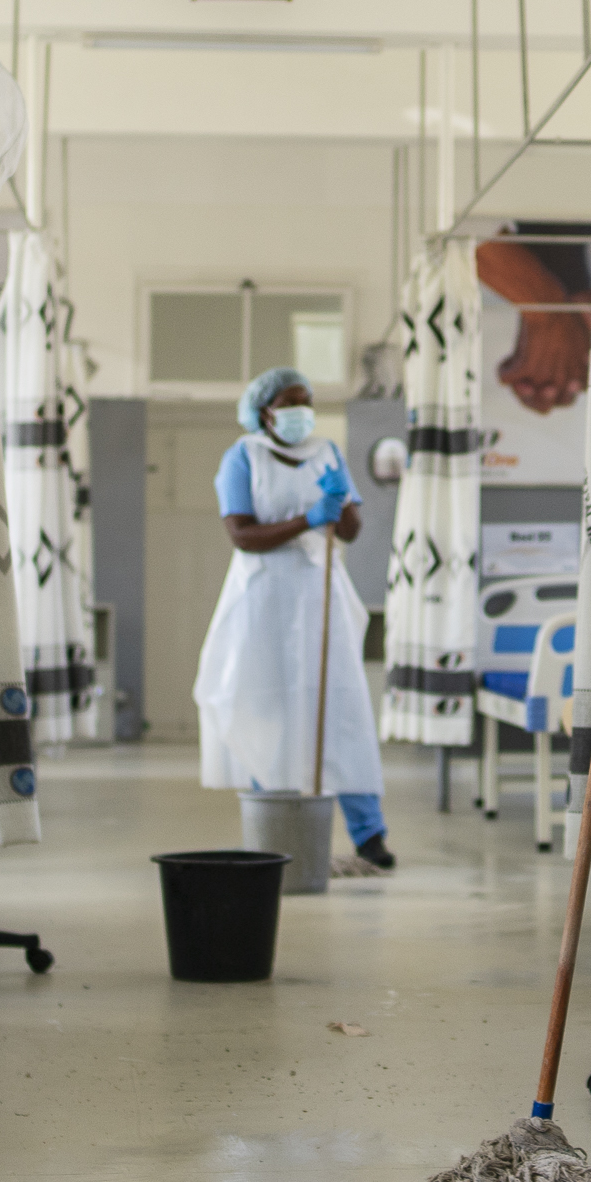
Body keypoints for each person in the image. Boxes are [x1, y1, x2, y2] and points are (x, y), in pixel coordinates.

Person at [190, 365, 392, 873]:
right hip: (264, 597)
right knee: (269, 707)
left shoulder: (327, 453)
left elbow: (350, 530)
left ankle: (369, 834)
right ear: (265, 412)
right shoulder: (243, 457)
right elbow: (242, 534)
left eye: (307, 402)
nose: (303, 411)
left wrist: (339, 502)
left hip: (320, 593)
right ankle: (276, 826)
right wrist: (308, 518)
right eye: (291, 403)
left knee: (342, 708)